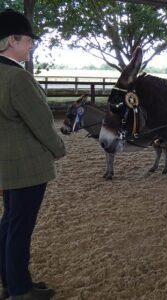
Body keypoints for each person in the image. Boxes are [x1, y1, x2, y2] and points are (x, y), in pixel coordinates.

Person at [0, 9, 66, 300]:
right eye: (27, 40)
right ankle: (20, 290)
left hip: (5, 164)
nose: (31, 46)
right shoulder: (17, 78)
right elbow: (41, 123)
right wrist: (59, 149)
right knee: (20, 228)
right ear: (11, 41)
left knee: (9, 223)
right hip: (26, 167)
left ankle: (10, 281)